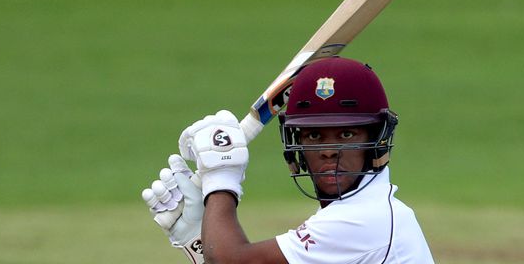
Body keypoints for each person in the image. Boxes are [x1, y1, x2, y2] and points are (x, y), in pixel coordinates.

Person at [142, 57, 434, 263]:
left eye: (346, 134)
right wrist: (200, 239)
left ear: (377, 138)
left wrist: (220, 179)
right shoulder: (356, 214)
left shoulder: (364, 220)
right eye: (314, 136)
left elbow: (233, 263)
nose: (329, 151)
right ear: (297, 145)